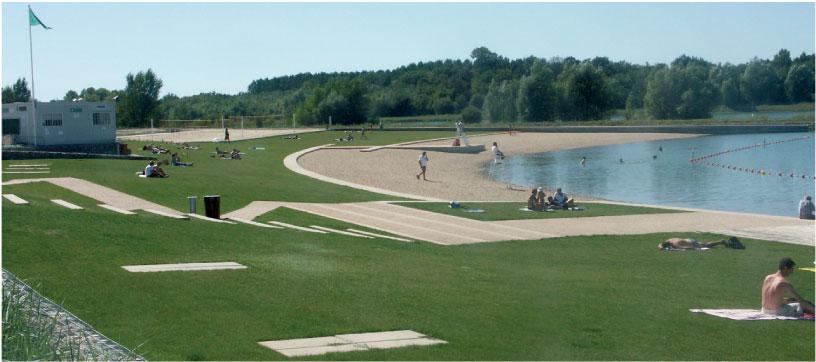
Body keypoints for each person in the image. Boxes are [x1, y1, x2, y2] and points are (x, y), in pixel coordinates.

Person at [658, 236, 743, 250]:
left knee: (706, 245)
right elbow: (660, 244)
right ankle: (722, 242)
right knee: (705, 243)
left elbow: (688, 248)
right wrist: (661, 247)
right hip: (689, 240)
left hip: (691, 243)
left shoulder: (675, 244)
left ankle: (721, 242)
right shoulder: (671, 239)